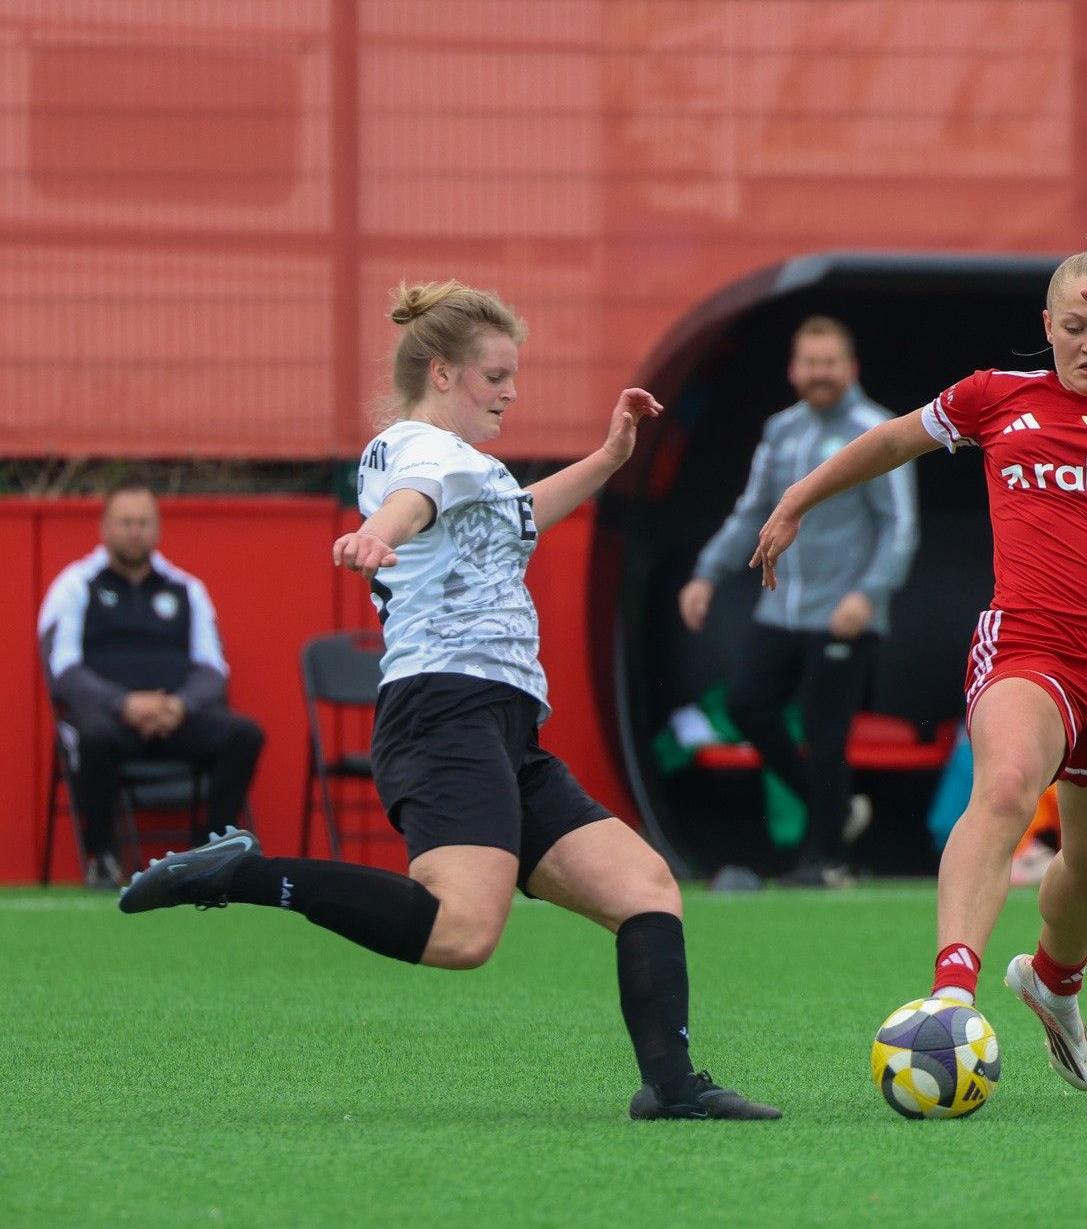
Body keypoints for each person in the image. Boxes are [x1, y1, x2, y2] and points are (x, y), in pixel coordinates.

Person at [118, 281, 776, 1122]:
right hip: (443, 713)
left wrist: (609, 459)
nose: (511, 390)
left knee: (644, 887)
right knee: (462, 933)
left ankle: (674, 1087)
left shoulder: (478, 470)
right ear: (441, 372)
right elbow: (412, 498)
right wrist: (377, 536)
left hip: (502, 725)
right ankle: (242, 873)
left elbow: (519, 514)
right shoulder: (413, 447)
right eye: (496, 373)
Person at [748, 229, 1087, 1092]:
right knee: (1005, 785)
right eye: (1075, 327)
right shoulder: (996, 395)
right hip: (1030, 644)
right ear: (1048, 324)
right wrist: (799, 497)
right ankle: (951, 996)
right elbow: (889, 442)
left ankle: (1053, 980)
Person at [678, 315, 919, 887]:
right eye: (810, 363)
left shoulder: (875, 428)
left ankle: (826, 860)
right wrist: (706, 574)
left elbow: (901, 525)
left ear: (850, 368)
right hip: (781, 608)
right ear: (793, 369)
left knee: (825, 730)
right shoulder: (781, 431)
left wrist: (868, 594)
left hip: (844, 614)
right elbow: (750, 511)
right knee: (746, 706)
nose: (820, 373)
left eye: (829, 362)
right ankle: (835, 810)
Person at [37, 480, 265, 888]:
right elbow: (63, 669)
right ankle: (103, 857)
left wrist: (178, 706)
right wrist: (124, 703)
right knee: (91, 737)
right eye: (125, 522)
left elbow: (213, 670)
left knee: (244, 735)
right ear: (104, 528)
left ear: (158, 529)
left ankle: (207, 855)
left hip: (175, 718)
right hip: (111, 720)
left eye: (143, 522)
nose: (134, 531)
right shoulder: (75, 586)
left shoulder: (186, 588)